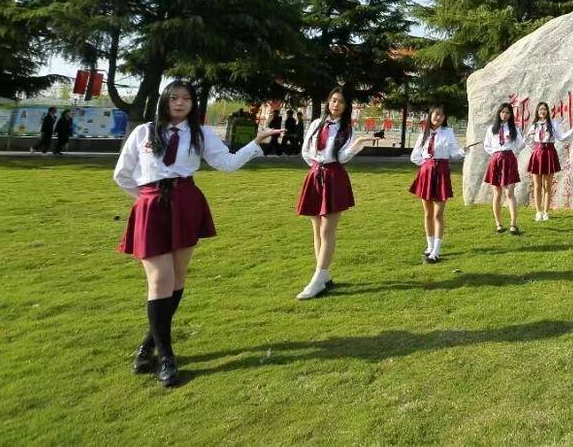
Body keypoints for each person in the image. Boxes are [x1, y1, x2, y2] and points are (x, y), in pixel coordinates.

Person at [113, 80, 282, 387]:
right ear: (164, 100)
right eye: (174, 98)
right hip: (152, 206)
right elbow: (122, 174)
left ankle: (149, 343)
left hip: (186, 204)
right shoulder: (144, 133)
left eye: (186, 99)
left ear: (193, 104)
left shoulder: (200, 134)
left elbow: (227, 164)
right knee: (159, 279)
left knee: (176, 279)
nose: (180, 103)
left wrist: (255, 143)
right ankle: (166, 357)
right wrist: (147, 200)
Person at [295, 88, 378, 299]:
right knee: (316, 229)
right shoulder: (315, 124)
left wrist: (358, 144)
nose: (336, 105)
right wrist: (316, 168)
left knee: (327, 230)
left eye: (341, 102)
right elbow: (305, 151)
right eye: (333, 100)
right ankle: (323, 277)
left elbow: (341, 157)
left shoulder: (346, 129)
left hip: (334, 177)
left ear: (346, 106)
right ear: (328, 102)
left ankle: (317, 279)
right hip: (315, 176)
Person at [409, 107, 464, 263]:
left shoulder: (448, 132)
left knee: (438, 214)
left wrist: (462, 152)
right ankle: (429, 245)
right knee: (427, 213)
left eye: (442, 115)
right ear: (430, 116)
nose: (439, 117)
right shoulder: (423, 133)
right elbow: (414, 157)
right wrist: (428, 164)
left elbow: (453, 153)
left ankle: (436, 251)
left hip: (441, 173)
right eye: (436, 114)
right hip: (426, 174)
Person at [524, 102, 573, 222]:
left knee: (547, 185)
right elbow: (529, 141)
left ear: (547, 111)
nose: (542, 111)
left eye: (544, 109)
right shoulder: (534, 125)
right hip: (537, 154)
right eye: (540, 109)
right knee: (537, 186)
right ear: (537, 112)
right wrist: (532, 145)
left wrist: (571, 131)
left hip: (549, 153)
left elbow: (561, 137)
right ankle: (538, 211)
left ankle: (546, 212)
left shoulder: (553, 124)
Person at [481, 102, 524, 234]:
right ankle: (498, 224)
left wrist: (518, 140)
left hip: (509, 159)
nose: (504, 115)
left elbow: (520, 146)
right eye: (502, 112)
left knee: (509, 192)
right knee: (497, 193)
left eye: (507, 112)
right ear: (499, 113)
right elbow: (486, 145)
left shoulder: (514, 129)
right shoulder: (492, 129)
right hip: (496, 159)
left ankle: (513, 224)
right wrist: (496, 153)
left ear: (510, 115)